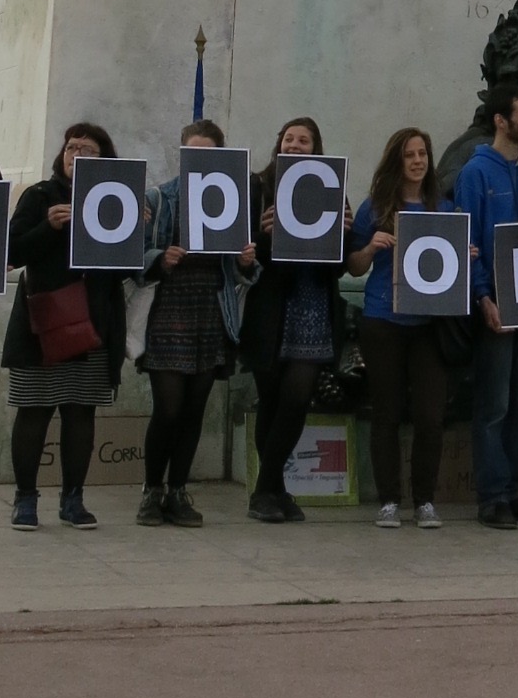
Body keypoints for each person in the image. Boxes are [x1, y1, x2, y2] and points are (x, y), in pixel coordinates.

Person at [4, 123, 133, 530]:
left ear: (104, 159)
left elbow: (128, 267)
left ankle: (73, 498)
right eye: (71, 148)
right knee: (34, 411)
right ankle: (25, 498)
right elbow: (10, 251)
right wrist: (49, 227)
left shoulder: (118, 199)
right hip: (44, 321)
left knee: (81, 413)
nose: (75, 155)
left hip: (94, 321)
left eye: (87, 150)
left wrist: (135, 224)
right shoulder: (40, 195)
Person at [142, 116, 256, 527]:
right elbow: (132, 258)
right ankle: (151, 490)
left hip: (211, 309)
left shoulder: (231, 197)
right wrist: (159, 259)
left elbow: (242, 269)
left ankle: (178, 491)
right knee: (167, 408)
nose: (199, 161)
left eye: (207, 154)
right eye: (192, 154)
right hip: (170, 310)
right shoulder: (160, 198)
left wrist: (246, 262)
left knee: (194, 410)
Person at [452, 82, 518, 530]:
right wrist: (482, 297)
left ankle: (512, 491)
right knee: (493, 405)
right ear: (501, 120)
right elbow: (468, 241)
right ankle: (491, 495)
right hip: (496, 302)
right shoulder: (474, 174)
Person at [245, 115, 350, 524]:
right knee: (271, 400)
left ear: (316, 148)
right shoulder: (257, 187)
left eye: (303, 140)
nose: (294, 145)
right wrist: (261, 233)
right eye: (288, 138)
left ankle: (264, 488)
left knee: (296, 398)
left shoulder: (331, 188)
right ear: (278, 145)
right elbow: (241, 247)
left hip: (312, 305)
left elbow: (340, 266)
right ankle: (273, 490)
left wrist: (342, 235)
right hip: (270, 307)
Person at [348, 128, 451, 528]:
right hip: (382, 319)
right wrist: (371, 247)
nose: (418, 161)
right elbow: (353, 265)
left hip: (428, 326)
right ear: (397, 160)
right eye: (409, 154)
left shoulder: (444, 208)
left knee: (430, 415)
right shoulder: (373, 207)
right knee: (386, 413)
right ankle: (389, 500)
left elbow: (452, 271)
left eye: (423, 153)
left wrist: (463, 254)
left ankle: (425, 500)